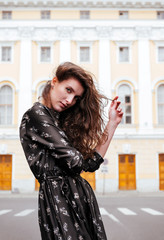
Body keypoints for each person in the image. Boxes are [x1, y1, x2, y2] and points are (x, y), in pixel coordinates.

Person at [19, 62, 123, 240]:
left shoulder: (59, 120)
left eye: (76, 98)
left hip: (79, 198)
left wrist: (112, 124)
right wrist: (79, 158)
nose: (70, 101)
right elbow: (76, 162)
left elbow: (90, 164)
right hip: (58, 199)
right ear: (54, 82)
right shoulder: (36, 115)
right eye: (68, 90)